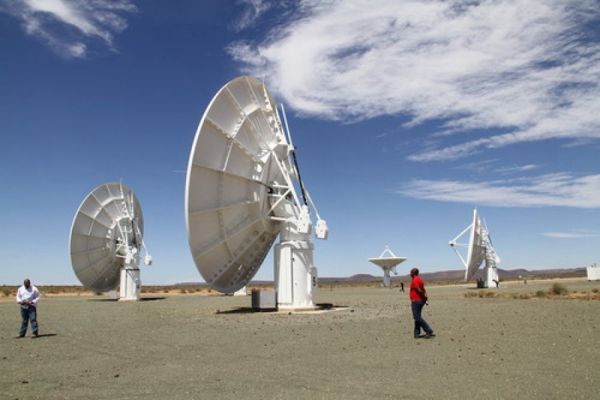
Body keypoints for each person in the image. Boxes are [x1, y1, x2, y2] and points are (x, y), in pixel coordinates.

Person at [409, 268, 434, 339]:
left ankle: (428, 330)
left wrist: (424, 296)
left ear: (413, 273)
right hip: (420, 300)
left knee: (417, 317)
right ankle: (416, 334)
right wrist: (425, 297)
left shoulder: (415, 280)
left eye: (410, 273)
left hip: (416, 301)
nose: (410, 274)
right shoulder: (420, 279)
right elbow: (423, 289)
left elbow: (419, 289)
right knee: (418, 317)